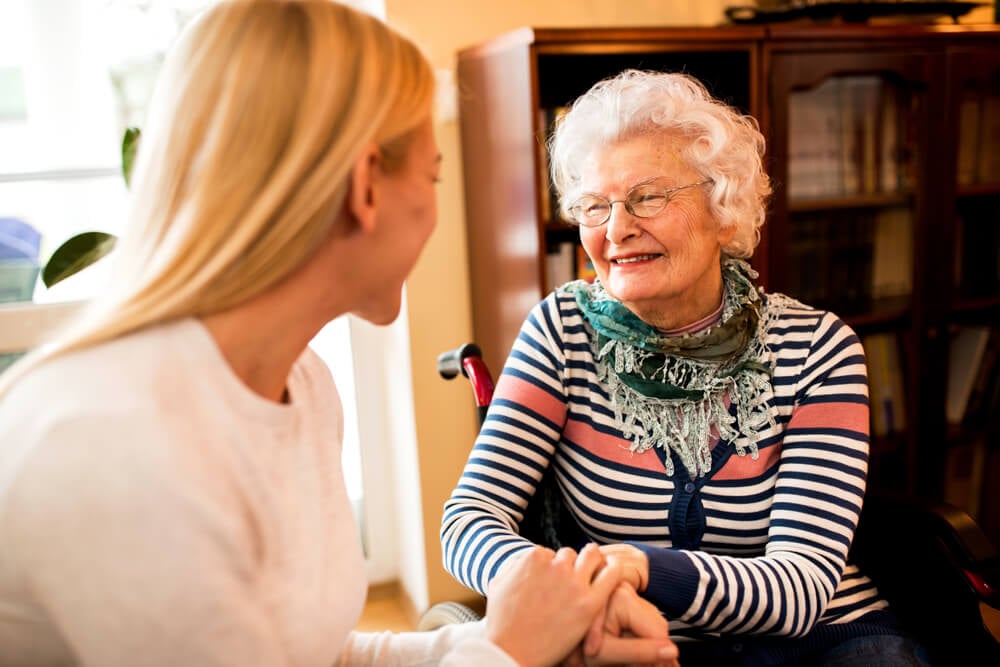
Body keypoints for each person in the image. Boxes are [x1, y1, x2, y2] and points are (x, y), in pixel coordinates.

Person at [0, 4, 680, 666]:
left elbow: (311, 652)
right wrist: (508, 650)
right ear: (366, 187)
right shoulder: (113, 441)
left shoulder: (302, 387)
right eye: (433, 174)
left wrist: (526, 632)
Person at [440, 69, 932, 666]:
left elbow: (799, 590)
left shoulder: (818, 348)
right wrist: (563, 586)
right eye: (595, 206)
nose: (616, 229)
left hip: (825, 642)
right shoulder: (562, 329)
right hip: (635, 640)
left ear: (723, 208)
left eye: (647, 197)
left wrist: (640, 568)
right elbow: (468, 519)